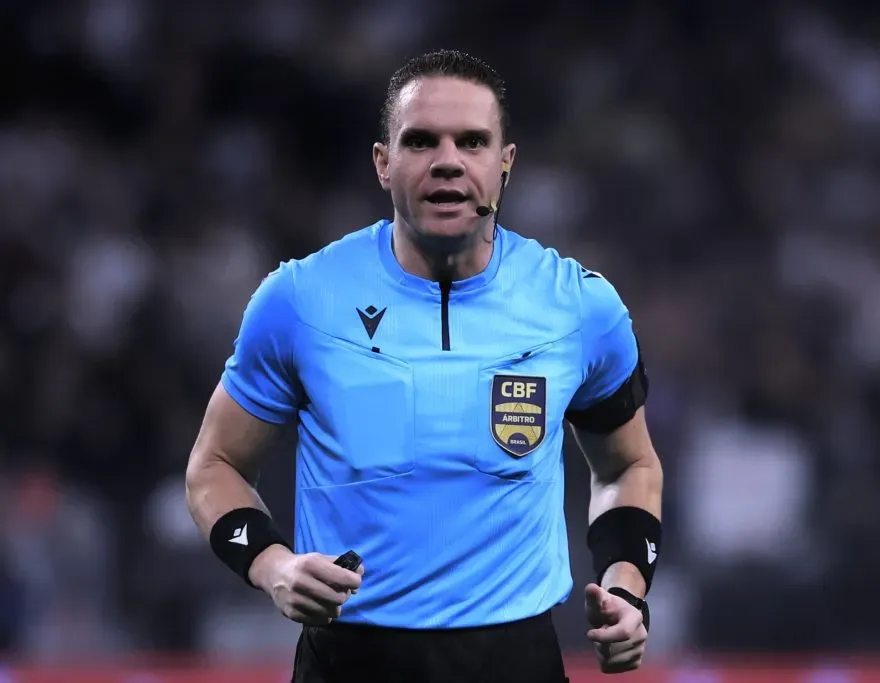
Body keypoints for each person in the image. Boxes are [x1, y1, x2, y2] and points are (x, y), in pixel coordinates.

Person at [185, 48, 664, 683]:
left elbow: (629, 466)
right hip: (351, 661)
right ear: (384, 164)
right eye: (421, 141)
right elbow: (212, 467)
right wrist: (274, 566)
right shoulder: (300, 300)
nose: (448, 161)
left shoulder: (579, 307)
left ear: (505, 164)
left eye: (472, 142)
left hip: (515, 662)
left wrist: (628, 590)